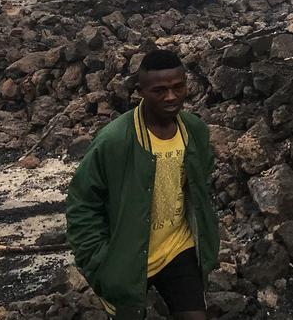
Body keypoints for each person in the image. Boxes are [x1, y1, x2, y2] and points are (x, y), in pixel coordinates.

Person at [65, 49, 218, 319]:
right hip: (128, 258)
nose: (170, 97)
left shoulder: (194, 131)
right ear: (140, 91)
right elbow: (82, 203)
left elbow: (200, 183)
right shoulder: (114, 141)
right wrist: (98, 260)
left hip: (178, 248)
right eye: (159, 90)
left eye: (177, 87)